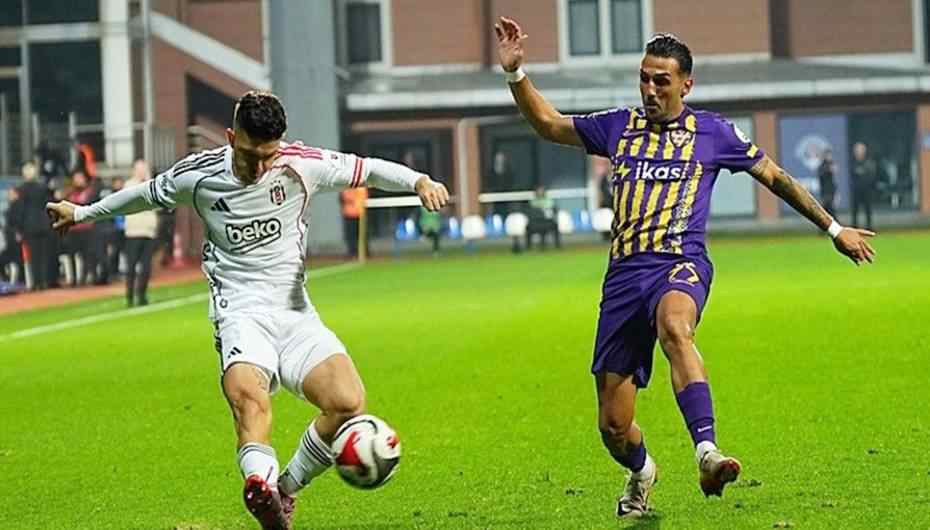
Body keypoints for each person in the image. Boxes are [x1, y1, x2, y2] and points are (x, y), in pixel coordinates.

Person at [495, 18, 876, 518]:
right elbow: (548, 124)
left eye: (661, 81)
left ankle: (707, 452)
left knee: (677, 326)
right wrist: (517, 74)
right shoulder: (617, 126)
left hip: (681, 265)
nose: (650, 89)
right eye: (644, 79)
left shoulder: (713, 133)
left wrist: (833, 229)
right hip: (624, 279)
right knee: (613, 426)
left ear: (686, 84)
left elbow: (776, 177)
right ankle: (642, 471)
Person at [47, 90, 449, 530]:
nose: (259, 166)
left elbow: (365, 169)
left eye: (267, 155)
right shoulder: (198, 175)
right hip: (239, 311)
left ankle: (284, 490)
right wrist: (83, 211)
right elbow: (143, 195)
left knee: (348, 402)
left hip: (295, 312)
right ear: (230, 136)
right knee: (250, 401)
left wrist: (418, 181)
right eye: (250, 153)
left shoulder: (300, 163)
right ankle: (259, 485)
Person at [15, 162, 55, 290]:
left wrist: (19, 227)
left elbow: (20, 209)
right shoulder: (42, 188)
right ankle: (43, 282)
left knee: (33, 256)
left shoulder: (21, 189)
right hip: (43, 224)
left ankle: (36, 283)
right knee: (43, 255)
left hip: (29, 225)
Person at [122, 161, 157, 307]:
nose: (142, 172)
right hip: (133, 232)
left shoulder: (151, 184)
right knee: (131, 266)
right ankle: (130, 295)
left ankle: (142, 294)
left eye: (144, 169)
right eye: (140, 170)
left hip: (148, 232)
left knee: (147, 266)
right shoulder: (129, 186)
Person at [850, 142, 877, 231]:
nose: (859, 152)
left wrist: (861, 173)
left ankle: (869, 227)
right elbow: (852, 174)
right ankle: (854, 227)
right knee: (855, 210)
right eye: (857, 150)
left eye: (860, 150)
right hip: (856, 190)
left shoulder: (869, 162)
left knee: (868, 209)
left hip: (866, 190)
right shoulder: (852, 162)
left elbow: (871, 175)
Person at [525, 184, 560, 250]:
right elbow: (530, 212)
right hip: (536, 222)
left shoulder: (549, 201)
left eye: (541, 191)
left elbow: (554, 210)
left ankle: (557, 246)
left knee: (555, 225)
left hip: (547, 221)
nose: (540, 192)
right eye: (539, 191)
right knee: (528, 227)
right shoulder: (533, 201)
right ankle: (528, 247)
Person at [340, 186, 368, 258]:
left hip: (359, 214)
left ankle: (363, 252)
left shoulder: (360, 188)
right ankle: (353, 252)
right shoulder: (346, 187)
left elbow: (363, 198)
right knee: (351, 235)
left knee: (361, 235)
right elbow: (344, 197)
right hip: (349, 214)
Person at [817, 148, 837, 218]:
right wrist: (829, 170)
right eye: (828, 155)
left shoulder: (831, 165)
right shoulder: (823, 166)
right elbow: (821, 177)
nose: (829, 157)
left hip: (831, 192)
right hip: (825, 192)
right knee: (826, 212)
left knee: (830, 212)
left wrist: (836, 192)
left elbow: (834, 181)